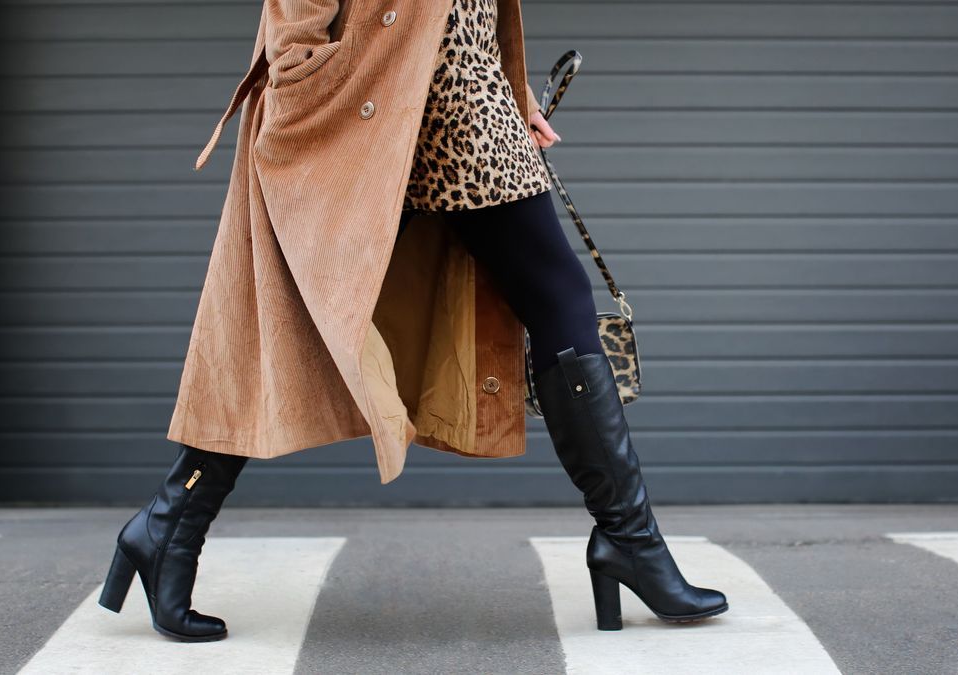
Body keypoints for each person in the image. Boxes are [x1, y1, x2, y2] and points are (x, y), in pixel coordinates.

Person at [97, 0, 727, 642]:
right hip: (394, 103)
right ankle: (629, 542)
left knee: (306, 315)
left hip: (460, 96)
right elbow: (297, 30)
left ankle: (166, 527)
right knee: (536, 298)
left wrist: (509, 91)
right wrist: (327, 107)